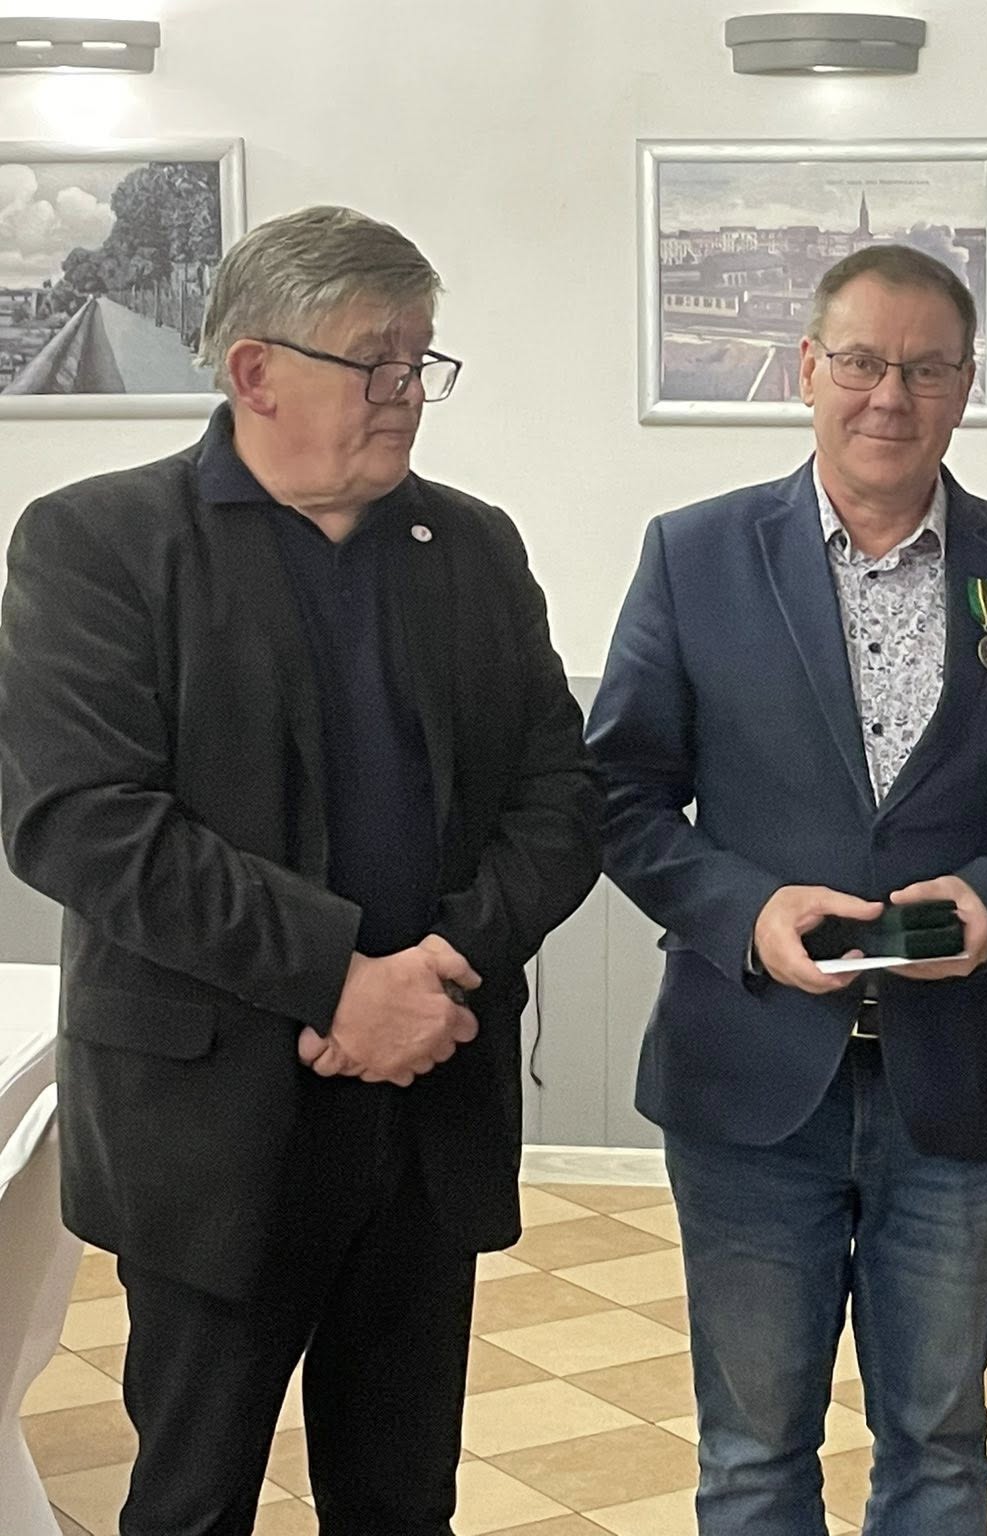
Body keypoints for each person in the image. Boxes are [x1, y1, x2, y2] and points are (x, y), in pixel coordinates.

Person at [0, 205, 601, 1536]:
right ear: (254, 371)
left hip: (427, 1104)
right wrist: (338, 979)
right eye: (375, 361)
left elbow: (561, 796)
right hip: (209, 1127)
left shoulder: (473, 547)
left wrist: (441, 967)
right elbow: (83, 819)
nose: (408, 393)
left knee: (401, 1500)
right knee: (193, 1499)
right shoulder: (99, 543)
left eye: (421, 361)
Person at [587, 243, 987, 1536]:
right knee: (750, 1457)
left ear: (966, 385)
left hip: (956, 1088)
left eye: (926, 368)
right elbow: (617, 795)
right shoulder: (694, 556)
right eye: (860, 361)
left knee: (940, 1450)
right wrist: (744, 915)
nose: (889, 395)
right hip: (748, 1084)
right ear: (806, 369)